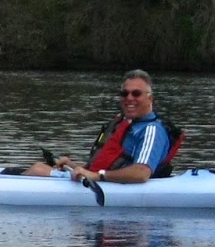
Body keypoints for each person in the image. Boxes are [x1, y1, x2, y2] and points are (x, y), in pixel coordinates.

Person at [18, 70, 175, 184]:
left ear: (150, 98)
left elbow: (141, 173)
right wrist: (73, 166)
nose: (129, 98)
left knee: (38, 170)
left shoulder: (151, 130)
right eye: (124, 93)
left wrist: (98, 175)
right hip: (103, 180)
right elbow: (102, 166)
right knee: (39, 167)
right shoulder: (127, 123)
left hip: (111, 186)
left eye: (136, 94)